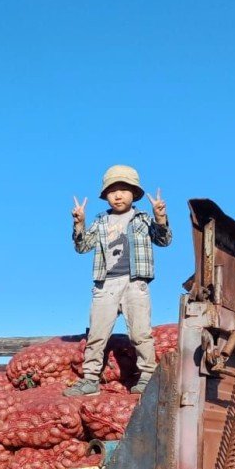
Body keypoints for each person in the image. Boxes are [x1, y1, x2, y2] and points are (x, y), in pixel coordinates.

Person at [64, 164, 171, 397]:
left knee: (140, 333)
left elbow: (163, 241)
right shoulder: (101, 221)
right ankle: (90, 379)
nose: (118, 195)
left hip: (135, 283)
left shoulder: (142, 218)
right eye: (113, 191)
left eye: (124, 189)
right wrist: (79, 223)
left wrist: (160, 218)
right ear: (105, 196)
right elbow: (82, 247)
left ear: (135, 193)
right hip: (106, 284)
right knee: (97, 334)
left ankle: (147, 377)